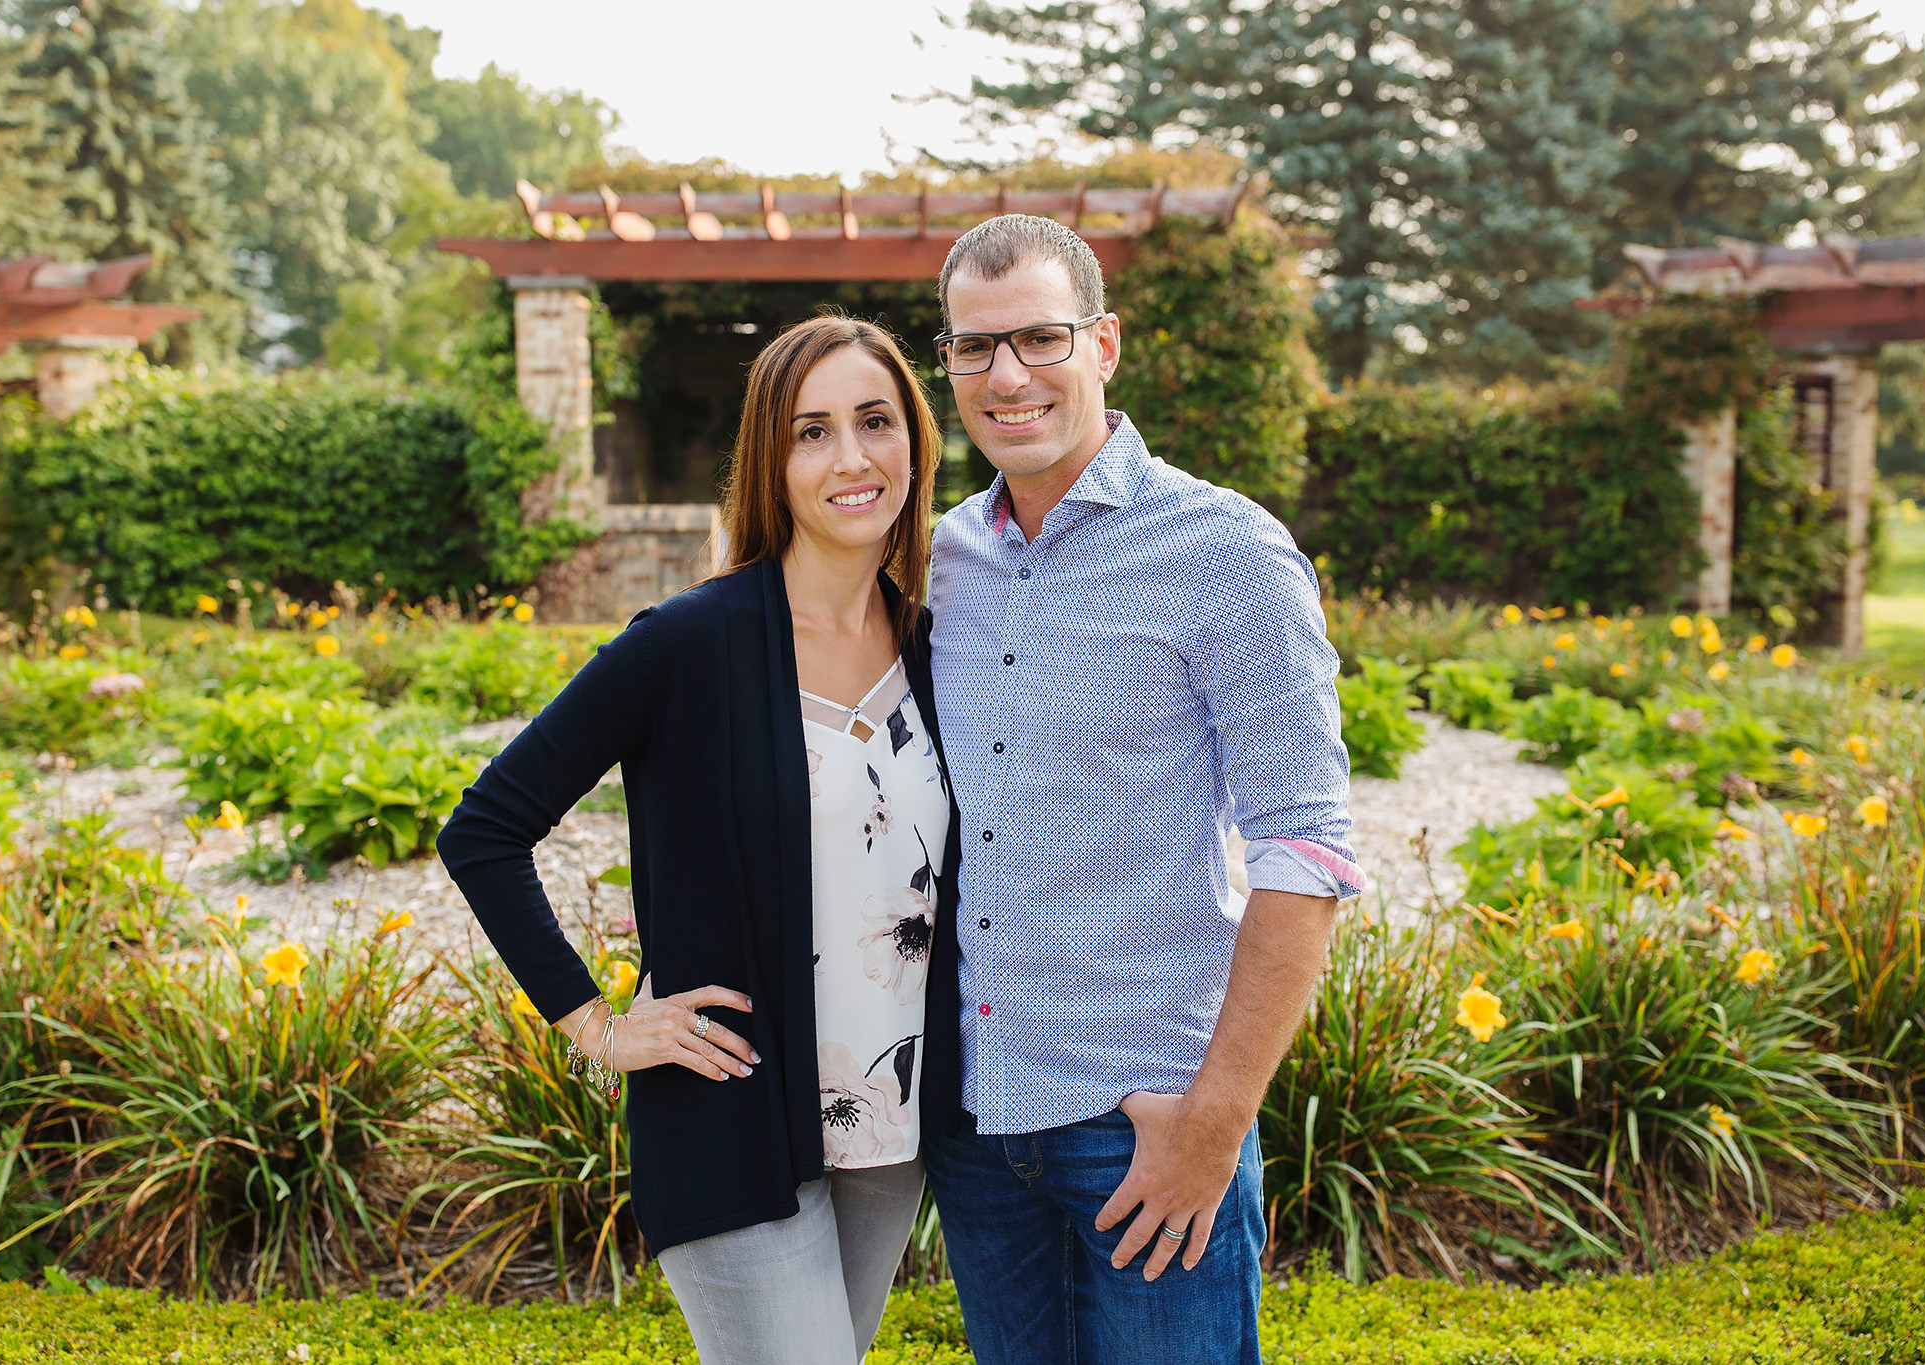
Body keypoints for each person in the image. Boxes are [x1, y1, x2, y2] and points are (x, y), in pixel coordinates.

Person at [437, 315, 962, 1365]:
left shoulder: (933, 643)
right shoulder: (685, 644)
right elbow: (484, 830)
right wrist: (593, 1025)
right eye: (811, 432)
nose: (851, 458)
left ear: (915, 438)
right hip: (729, 1119)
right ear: (770, 459)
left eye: (874, 421)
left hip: (888, 1132)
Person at [918, 215, 1363, 1363]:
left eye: (1038, 338)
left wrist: (1212, 1128)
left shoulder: (1227, 555)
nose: (1005, 376)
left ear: (1103, 344)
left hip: (1146, 1123)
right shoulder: (936, 562)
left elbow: (1304, 852)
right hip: (978, 1120)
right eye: (974, 348)